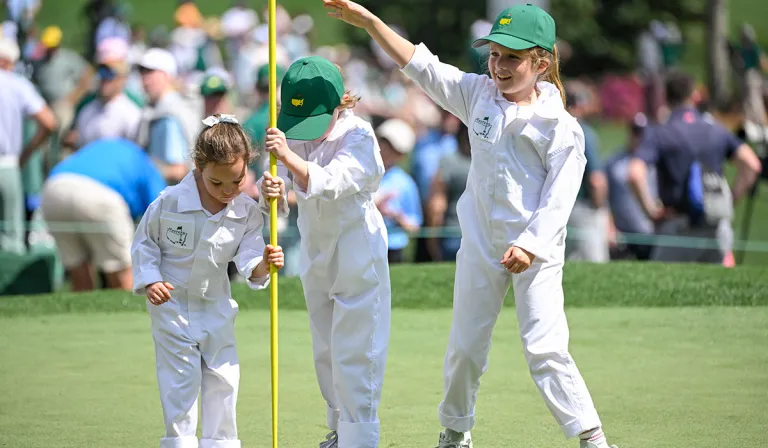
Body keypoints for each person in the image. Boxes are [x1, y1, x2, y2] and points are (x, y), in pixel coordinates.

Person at [325, 2, 618, 447]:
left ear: (541, 63)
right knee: (465, 347)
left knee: (545, 347)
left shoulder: (561, 126)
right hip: (481, 245)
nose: (499, 66)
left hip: (535, 253)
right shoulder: (477, 93)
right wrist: (371, 23)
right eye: (494, 55)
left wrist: (531, 245)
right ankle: (456, 433)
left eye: (512, 58)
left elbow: (560, 199)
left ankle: (592, 438)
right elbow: (420, 65)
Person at [258, 56, 391, 448]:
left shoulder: (360, 136)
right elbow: (282, 191)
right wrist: (275, 193)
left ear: (340, 104)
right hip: (315, 250)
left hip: (356, 251)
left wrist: (287, 159)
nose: (306, 134)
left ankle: (360, 438)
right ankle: (339, 430)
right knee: (326, 349)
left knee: (356, 350)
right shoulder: (293, 134)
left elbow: (333, 181)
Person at [131, 113, 285, 448]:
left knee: (224, 379)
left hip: (216, 305)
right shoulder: (169, 201)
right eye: (218, 183)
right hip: (172, 307)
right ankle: (180, 442)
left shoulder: (246, 211)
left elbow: (250, 261)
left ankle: (221, 444)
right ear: (199, 168)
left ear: (247, 168)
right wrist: (150, 279)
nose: (229, 190)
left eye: (238, 180)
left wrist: (266, 265)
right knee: (181, 382)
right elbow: (144, 244)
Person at [628, 70, 762, 264]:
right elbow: (752, 165)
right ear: (695, 95)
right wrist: (731, 200)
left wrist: (650, 210)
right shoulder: (716, 129)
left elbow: (634, 173)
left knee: (659, 287)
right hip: (717, 226)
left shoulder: (661, 133)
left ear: (665, 97)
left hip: (678, 226)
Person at [40, 138, 166, 291]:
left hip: (53, 190)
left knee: (79, 274)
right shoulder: (144, 161)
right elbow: (160, 210)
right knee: (121, 274)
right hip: (99, 196)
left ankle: (83, 313)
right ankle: (125, 314)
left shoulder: (104, 145)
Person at [0, 36, 56, 254]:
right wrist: (27, 153)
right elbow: (49, 122)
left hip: (9, 162)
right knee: (11, 236)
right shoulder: (18, 84)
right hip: (8, 165)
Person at [66, 37, 143, 151]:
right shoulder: (86, 108)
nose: (103, 77)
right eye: (100, 70)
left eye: (110, 72)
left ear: (123, 77)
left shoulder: (134, 111)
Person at [137, 47, 199, 184]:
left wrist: (140, 169)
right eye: (142, 72)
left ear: (166, 75)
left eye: (150, 72)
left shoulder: (168, 115)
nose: (144, 78)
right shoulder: (163, 108)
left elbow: (178, 170)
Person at [564, 83, 610, 263]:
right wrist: (599, 208)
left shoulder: (550, 129)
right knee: (595, 261)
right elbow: (596, 180)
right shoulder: (584, 132)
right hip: (583, 207)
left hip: (556, 204)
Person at [604, 113, 656, 260]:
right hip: (623, 235)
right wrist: (610, 227)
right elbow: (605, 199)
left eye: (641, 133)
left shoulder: (654, 161)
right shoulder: (613, 162)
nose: (638, 137)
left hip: (650, 232)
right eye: (634, 132)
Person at [374, 117, 422, 263]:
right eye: (384, 143)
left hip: (393, 246)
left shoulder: (405, 183)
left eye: (392, 148)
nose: (385, 150)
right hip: (365, 241)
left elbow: (414, 226)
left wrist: (396, 216)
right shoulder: (362, 173)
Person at [426, 122, 471, 262]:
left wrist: (432, 243)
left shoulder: (449, 162)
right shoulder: (493, 161)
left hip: (453, 235)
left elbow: (436, 207)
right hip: (488, 234)